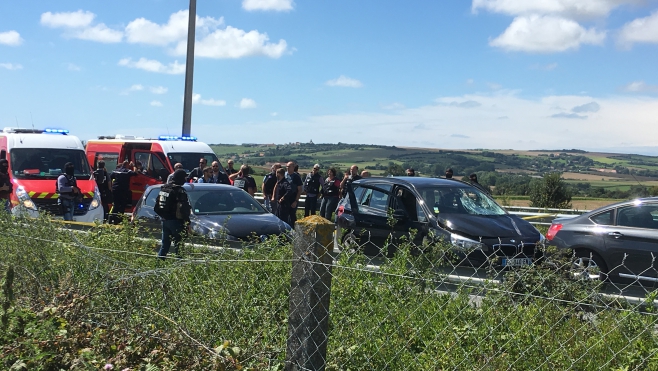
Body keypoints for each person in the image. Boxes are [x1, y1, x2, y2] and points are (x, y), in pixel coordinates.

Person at [157, 169, 191, 259]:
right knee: (179, 247)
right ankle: (179, 269)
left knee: (164, 246)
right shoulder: (179, 191)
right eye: (184, 177)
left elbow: (157, 207)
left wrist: (164, 216)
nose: (185, 179)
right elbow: (184, 208)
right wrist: (187, 222)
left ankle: (158, 265)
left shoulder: (164, 188)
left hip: (165, 220)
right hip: (176, 221)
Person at [286, 161, 303, 227]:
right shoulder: (284, 175)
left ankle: (294, 230)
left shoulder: (296, 177)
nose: (287, 168)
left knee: (292, 215)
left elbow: (299, 190)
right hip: (285, 199)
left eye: (289, 166)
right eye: (287, 166)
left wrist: (296, 201)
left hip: (293, 199)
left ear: (293, 167)